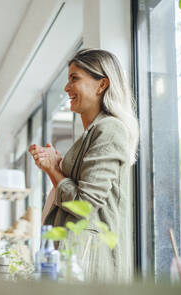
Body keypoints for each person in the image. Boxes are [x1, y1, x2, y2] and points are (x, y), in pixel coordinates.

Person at [29, 48, 139, 282]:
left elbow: (84, 204)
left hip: (91, 265)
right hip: (79, 259)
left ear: (102, 85)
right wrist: (58, 164)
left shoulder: (110, 129)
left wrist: (53, 169)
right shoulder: (92, 133)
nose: (67, 87)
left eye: (74, 78)